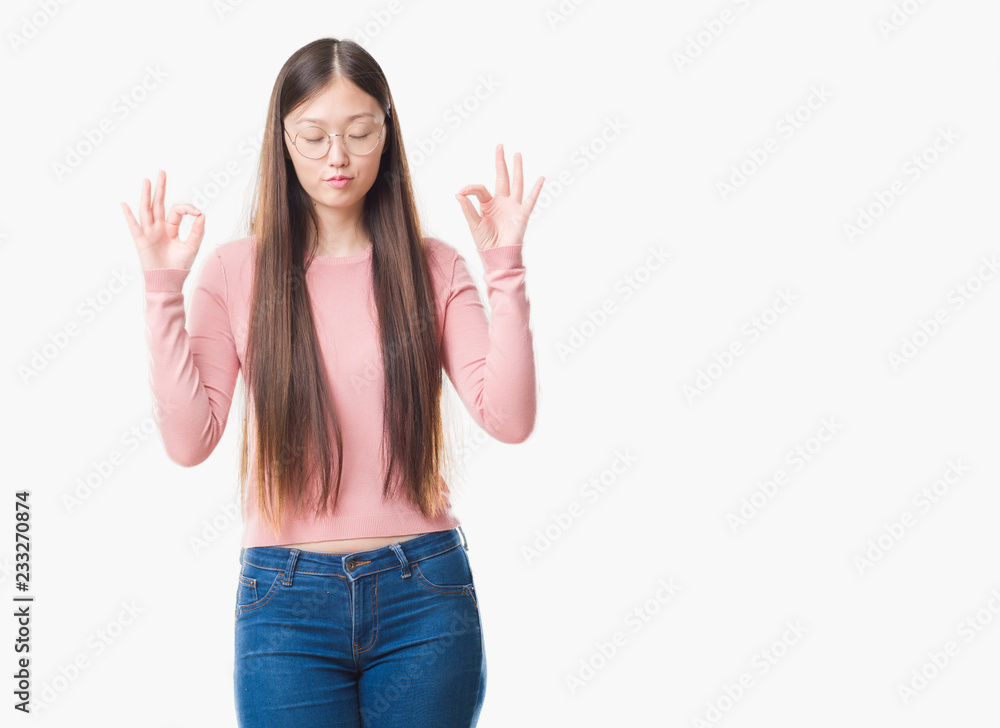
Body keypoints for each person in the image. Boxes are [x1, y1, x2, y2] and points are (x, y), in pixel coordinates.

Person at [120, 37, 543, 728]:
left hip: (425, 596)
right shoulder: (233, 271)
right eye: (313, 136)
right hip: (283, 605)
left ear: (388, 133)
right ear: (281, 141)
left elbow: (511, 417)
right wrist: (163, 288)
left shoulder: (434, 268)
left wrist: (504, 264)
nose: (337, 157)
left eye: (358, 132)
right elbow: (189, 440)